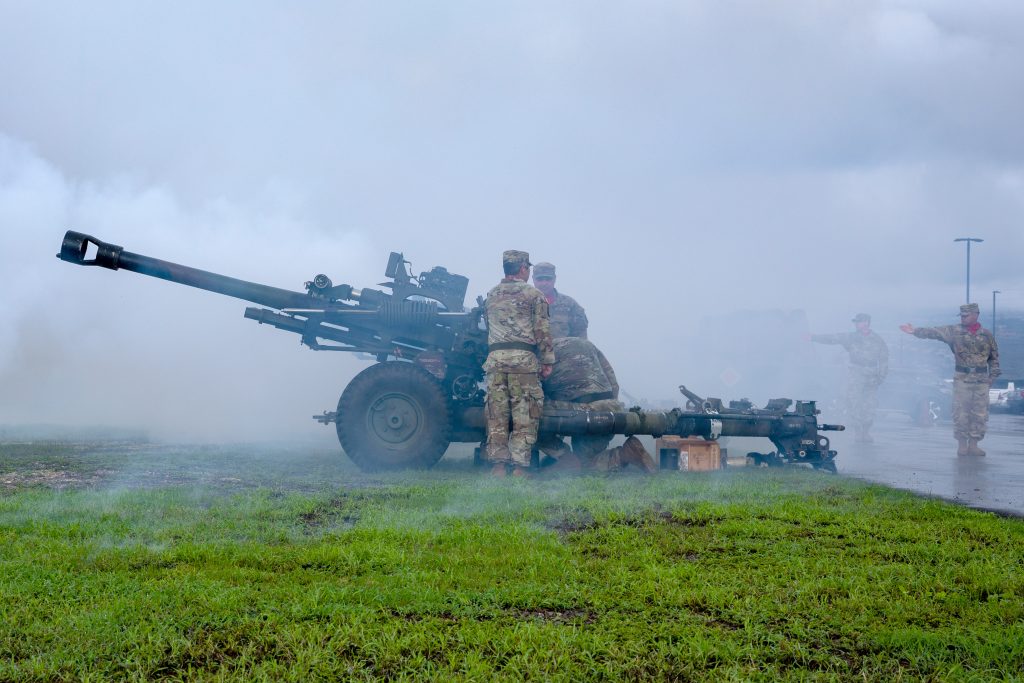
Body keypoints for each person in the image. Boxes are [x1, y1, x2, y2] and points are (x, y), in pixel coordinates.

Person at [537, 336, 656, 473]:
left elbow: (536, 395)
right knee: (587, 459)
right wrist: (609, 410)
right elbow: (612, 381)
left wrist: (555, 441)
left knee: (528, 418)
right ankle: (626, 454)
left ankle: (564, 457)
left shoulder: (540, 352)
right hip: (610, 410)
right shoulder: (586, 344)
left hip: (579, 412)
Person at [484, 250, 554, 477]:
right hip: (523, 364)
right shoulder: (534, 296)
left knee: (497, 415)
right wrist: (547, 361)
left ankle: (498, 466)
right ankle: (519, 469)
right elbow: (542, 331)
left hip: (495, 362)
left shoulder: (491, 294)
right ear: (523, 268)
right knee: (525, 416)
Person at [900, 303, 1000, 456]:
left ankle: (974, 444)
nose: (963, 318)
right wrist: (915, 331)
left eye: (966, 316)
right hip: (962, 379)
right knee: (960, 412)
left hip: (981, 381)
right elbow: (934, 332)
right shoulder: (954, 331)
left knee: (980, 414)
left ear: (976, 315)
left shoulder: (987, 335)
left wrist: (992, 377)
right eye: (961, 316)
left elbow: (994, 358)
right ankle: (962, 444)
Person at [809, 313, 889, 443]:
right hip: (856, 373)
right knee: (854, 401)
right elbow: (833, 338)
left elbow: (884, 359)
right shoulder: (851, 337)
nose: (856, 324)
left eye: (859, 322)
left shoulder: (877, 340)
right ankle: (858, 432)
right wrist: (813, 337)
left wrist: (881, 377)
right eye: (856, 322)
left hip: (872, 375)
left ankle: (866, 432)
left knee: (870, 404)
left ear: (867, 323)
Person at [531, 262, 589, 339]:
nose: (544, 283)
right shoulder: (523, 304)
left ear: (554, 279)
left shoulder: (570, 305)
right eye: (540, 279)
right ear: (533, 279)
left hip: (562, 350)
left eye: (548, 279)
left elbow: (581, 337)